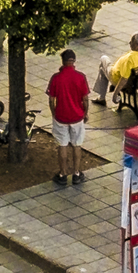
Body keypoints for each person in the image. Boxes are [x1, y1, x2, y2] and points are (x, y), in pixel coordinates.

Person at [47, 47, 90, 187]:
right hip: (77, 116)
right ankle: (77, 173)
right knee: (77, 144)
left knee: (62, 145)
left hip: (61, 117)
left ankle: (63, 174)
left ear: (63, 61)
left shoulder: (56, 78)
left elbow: (51, 99)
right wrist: (85, 113)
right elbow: (85, 99)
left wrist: (54, 113)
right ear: (74, 61)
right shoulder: (80, 77)